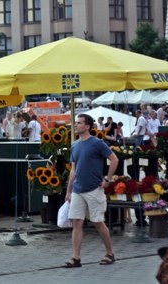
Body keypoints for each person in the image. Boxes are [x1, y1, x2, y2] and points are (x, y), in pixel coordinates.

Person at [64, 114, 118, 268]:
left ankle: (109, 253)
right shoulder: (75, 145)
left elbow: (114, 159)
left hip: (94, 188)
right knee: (76, 222)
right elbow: (73, 169)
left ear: (87, 126)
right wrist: (69, 190)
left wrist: (107, 179)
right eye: (75, 123)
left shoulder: (97, 143)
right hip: (78, 190)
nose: (76, 125)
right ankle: (76, 257)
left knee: (98, 222)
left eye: (79, 123)